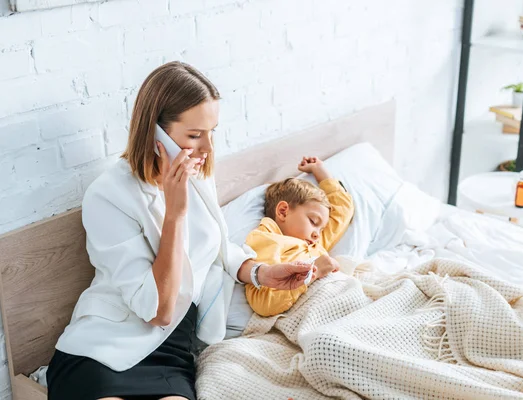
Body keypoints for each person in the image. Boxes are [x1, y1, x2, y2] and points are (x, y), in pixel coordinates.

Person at [45, 61, 313, 400]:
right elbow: (158, 310)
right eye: (194, 136)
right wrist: (174, 213)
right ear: (155, 133)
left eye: (211, 132)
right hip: (106, 346)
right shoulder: (108, 195)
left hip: (172, 351)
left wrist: (261, 273)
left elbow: (215, 248)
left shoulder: (198, 176)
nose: (208, 149)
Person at [244, 156, 354, 317]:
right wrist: (313, 273)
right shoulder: (267, 240)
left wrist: (321, 173)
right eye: (313, 221)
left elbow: (343, 209)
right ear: (283, 211)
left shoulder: (316, 241)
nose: (318, 233)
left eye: (322, 227)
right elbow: (264, 303)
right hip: (315, 311)